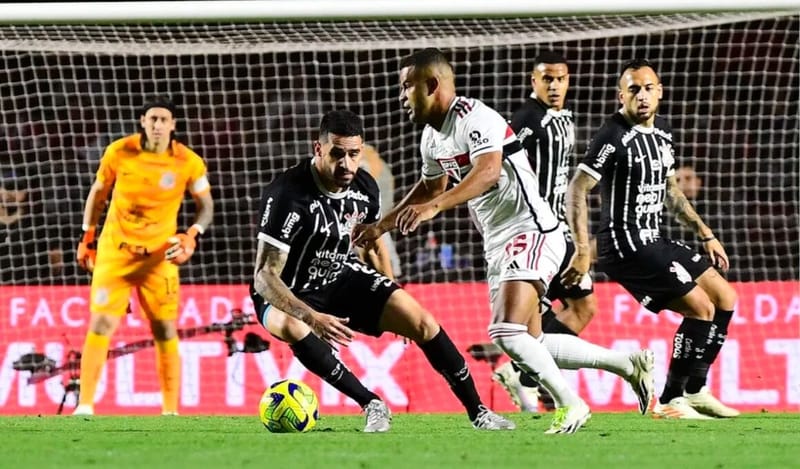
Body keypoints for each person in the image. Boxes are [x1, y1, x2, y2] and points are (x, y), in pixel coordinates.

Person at [353, 48, 653, 434]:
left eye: (406, 85)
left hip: (531, 229)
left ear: (431, 85)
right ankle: (628, 365)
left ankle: (571, 404)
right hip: (498, 241)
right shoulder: (432, 137)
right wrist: (381, 226)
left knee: (504, 332)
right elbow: (430, 186)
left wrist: (434, 208)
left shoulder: (474, 117)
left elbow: (489, 171)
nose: (401, 95)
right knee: (532, 341)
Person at [250, 109, 514, 432]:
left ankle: (479, 412)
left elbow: (371, 246)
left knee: (421, 320)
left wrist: (391, 292)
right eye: (337, 154)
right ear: (318, 148)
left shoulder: (365, 187)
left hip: (338, 276)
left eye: (353, 154)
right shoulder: (287, 194)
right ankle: (371, 403)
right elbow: (264, 276)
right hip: (288, 291)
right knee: (291, 325)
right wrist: (311, 317)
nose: (346, 164)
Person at [564, 59, 740, 419]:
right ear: (621, 96)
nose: (641, 96)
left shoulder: (663, 131)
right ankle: (670, 399)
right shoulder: (612, 135)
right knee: (700, 309)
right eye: (633, 90)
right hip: (624, 244)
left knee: (725, 298)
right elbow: (577, 189)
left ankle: (695, 389)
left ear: (659, 92)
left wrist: (705, 233)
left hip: (653, 238)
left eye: (648, 88)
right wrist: (582, 252)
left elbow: (670, 190)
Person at [73, 97, 214, 416]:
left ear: (173, 125)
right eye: (152, 119)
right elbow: (98, 193)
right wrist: (87, 237)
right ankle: (85, 406)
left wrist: (192, 234)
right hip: (115, 253)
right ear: (142, 121)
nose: (157, 125)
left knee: (164, 328)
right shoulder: (119, 151)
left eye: (164, 119)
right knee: (101, 322)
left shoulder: (188, 161)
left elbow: (206, 206)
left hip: (159, 259)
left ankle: (170, 411)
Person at [494, 51, 615, 412]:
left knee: (581, 308)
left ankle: (520, 372)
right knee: (575, 308)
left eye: (561, 79)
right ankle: (521, 372)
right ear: (534, 81)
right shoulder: (529, 119)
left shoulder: (563, 117)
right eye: (547, 79)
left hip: (558, 231)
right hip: (537, 233)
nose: (555, 85)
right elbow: (497, 163)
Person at [357, 144, 401, 278]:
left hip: (373, 206)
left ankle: (392, 274)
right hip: (364, 207)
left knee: (377, 236)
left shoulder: (372, 166)